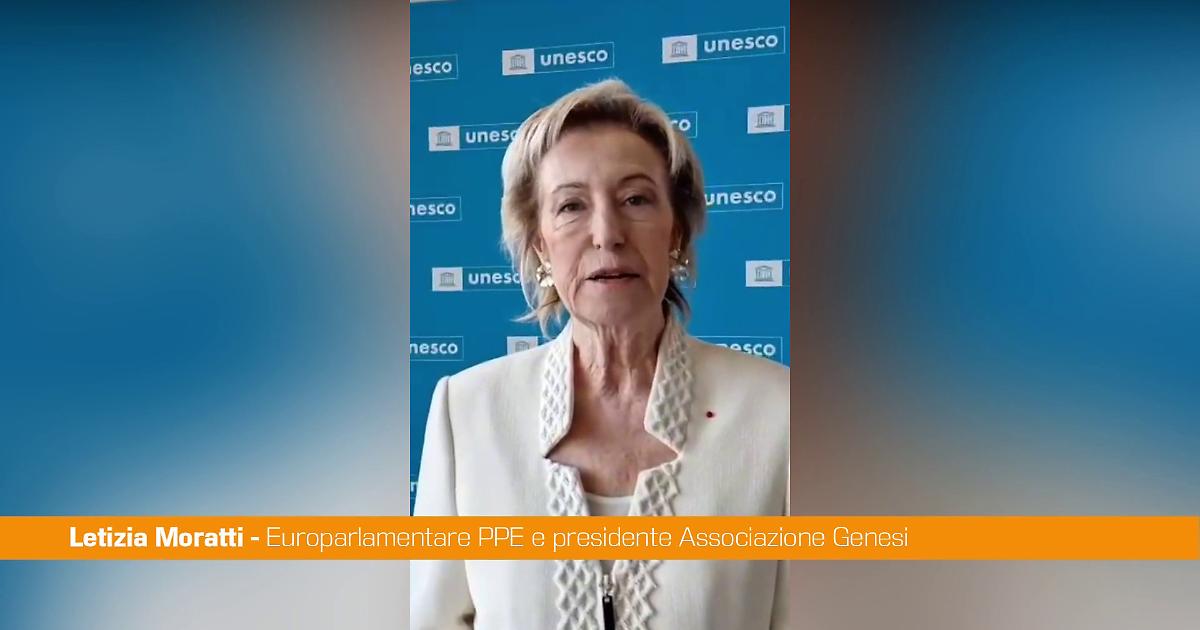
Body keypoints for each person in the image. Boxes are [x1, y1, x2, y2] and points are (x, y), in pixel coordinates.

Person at [411, 78, 789, 630]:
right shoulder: (466, 410)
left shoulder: (780, 413)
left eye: (636, 199)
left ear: (676, 232)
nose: (607, 234)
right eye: (571, 206)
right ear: (540, 244)